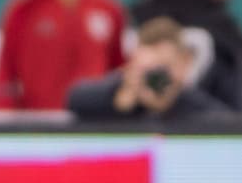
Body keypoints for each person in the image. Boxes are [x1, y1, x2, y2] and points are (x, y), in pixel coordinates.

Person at [67, 17, 230, 119]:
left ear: (183, 64)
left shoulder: (194, 104)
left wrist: (168, 105)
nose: (157, 76)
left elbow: (230, 124)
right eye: (148, 68)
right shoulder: (120, 90)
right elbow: (75, 99)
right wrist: (120, 101)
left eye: (165, 66)